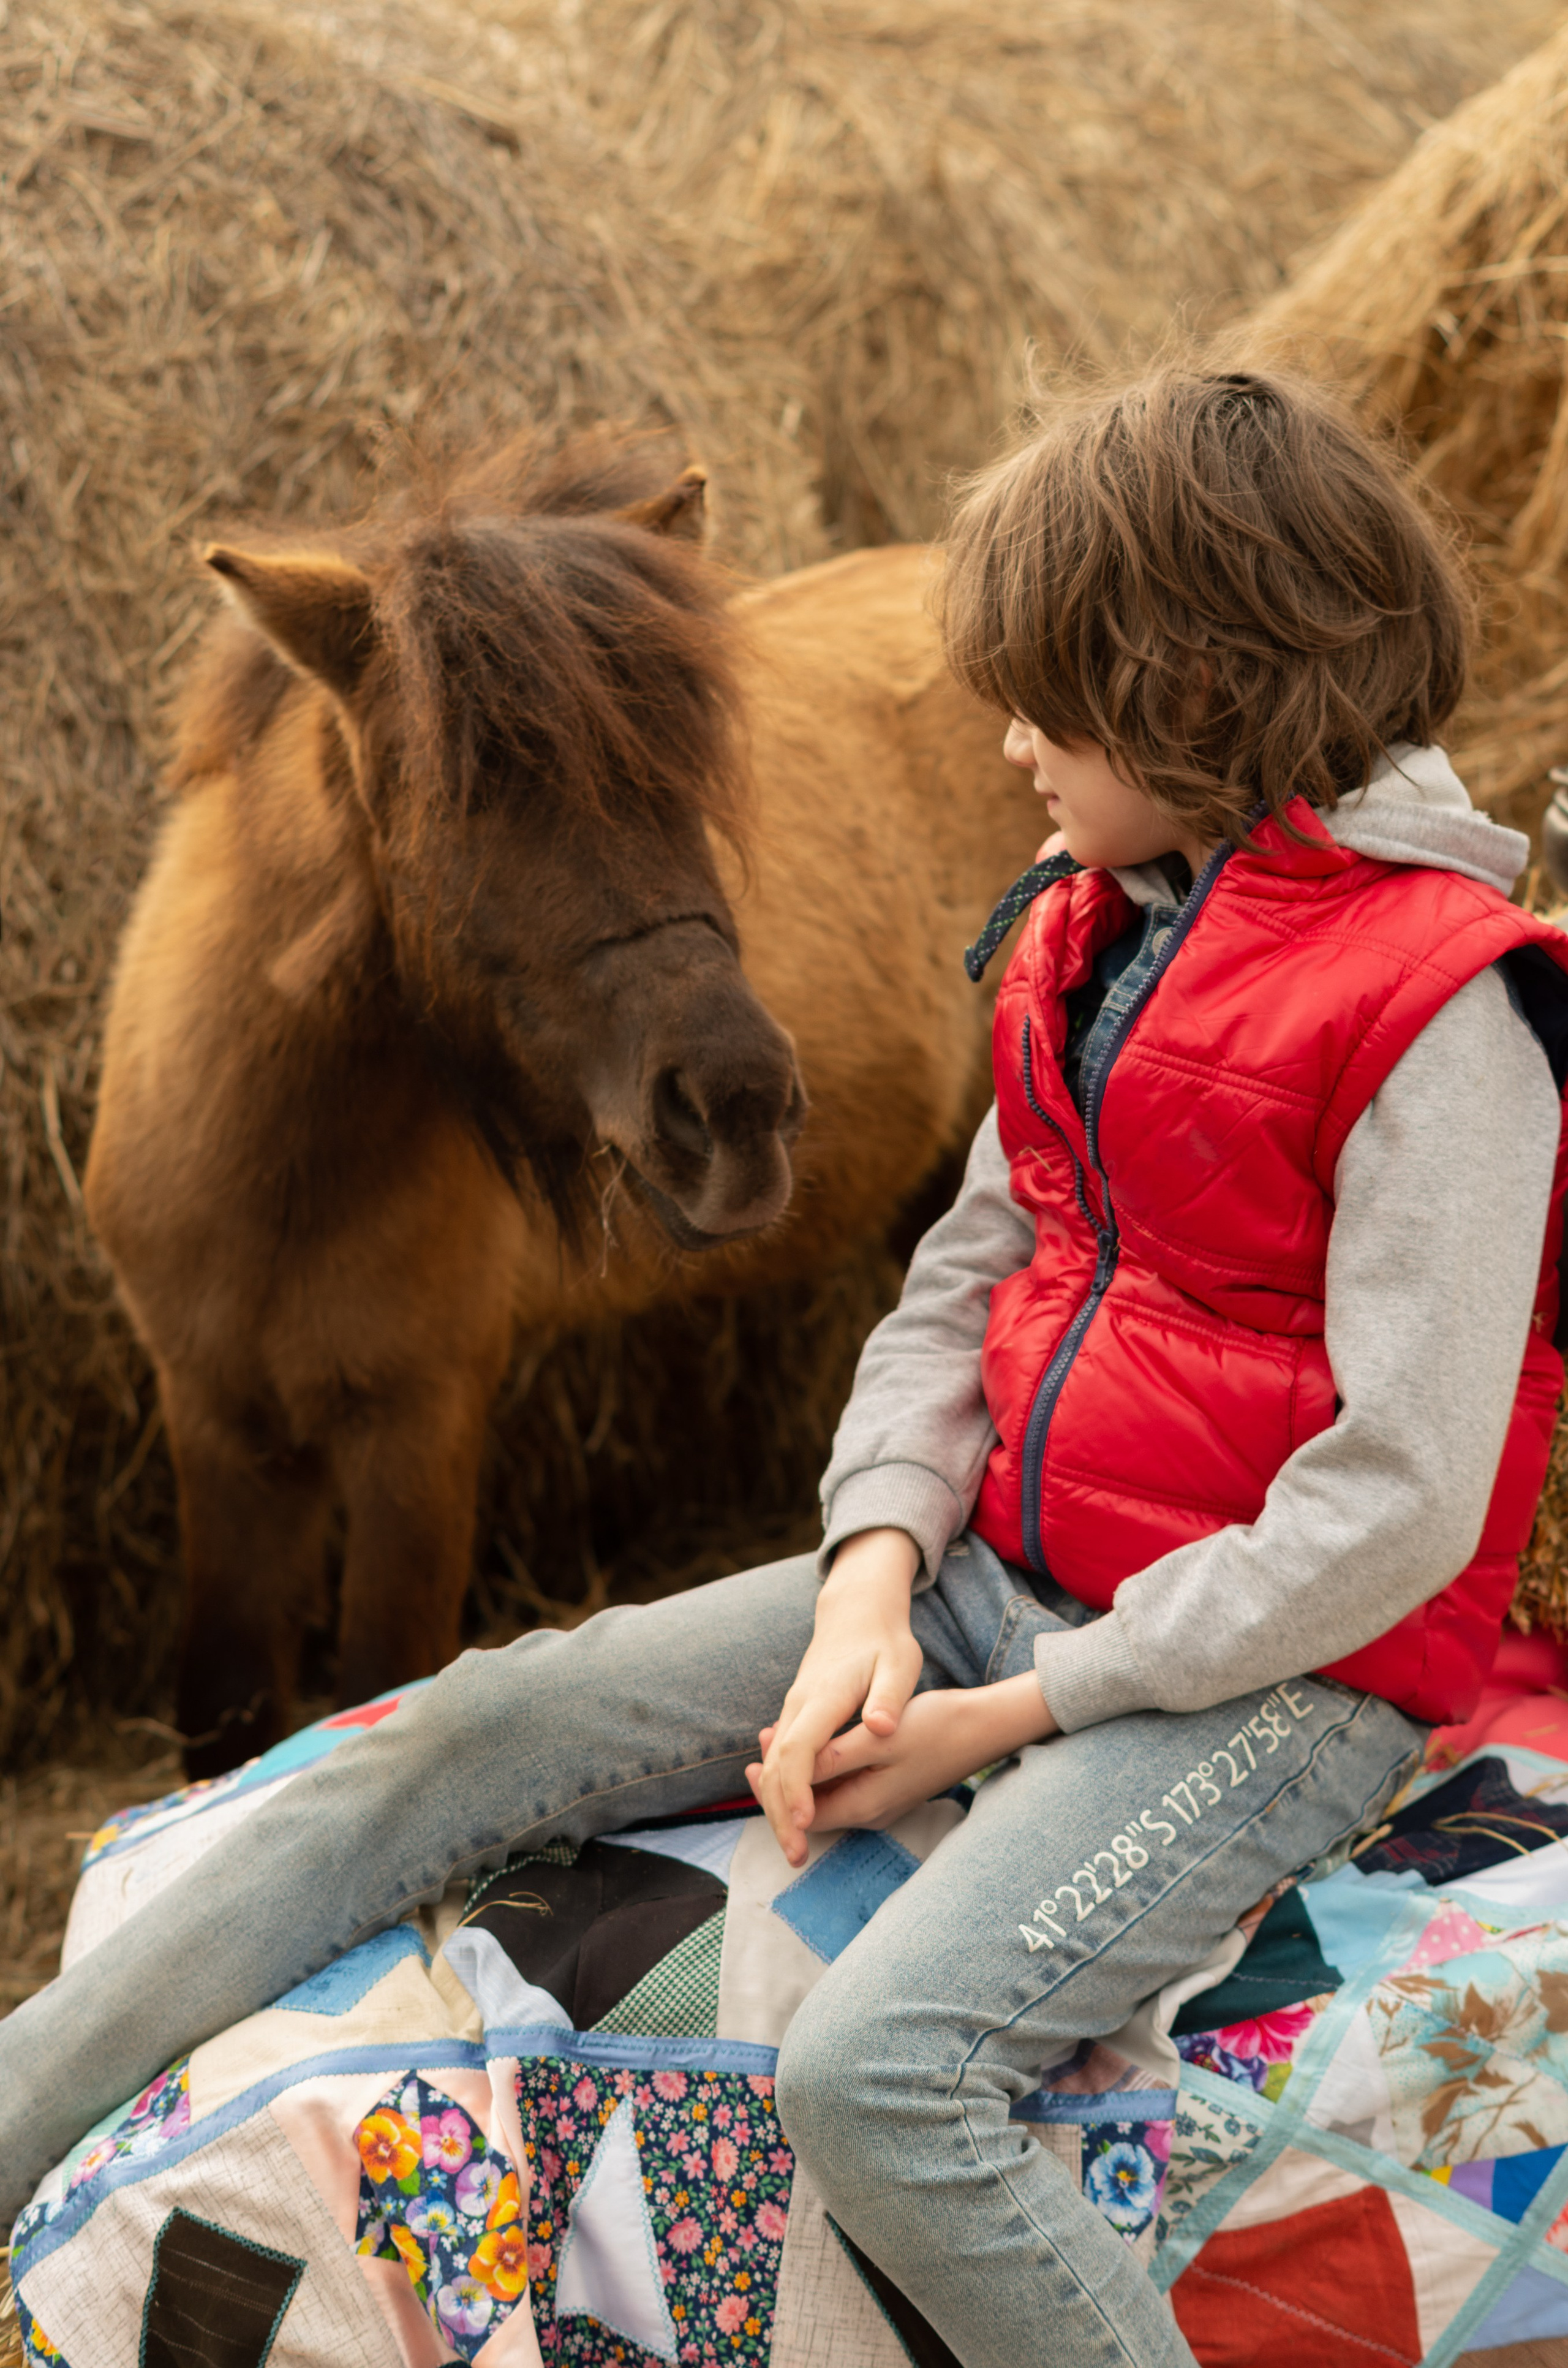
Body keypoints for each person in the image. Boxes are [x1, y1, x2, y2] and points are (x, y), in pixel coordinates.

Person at [5, 367, 1567, 2368]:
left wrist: (1013, 1705)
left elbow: (1408, 1498)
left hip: (1279, 1680)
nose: (1000, 741)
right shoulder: (1097, 931)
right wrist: (872, 1569)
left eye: (1044, 700)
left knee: (884, 2081)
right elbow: (960, 1284)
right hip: (1003, 1580)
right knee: (459, 1730)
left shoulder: (1450, 1014)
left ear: (1197, 694)